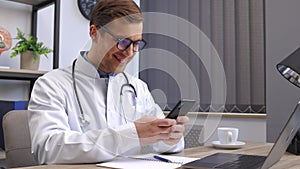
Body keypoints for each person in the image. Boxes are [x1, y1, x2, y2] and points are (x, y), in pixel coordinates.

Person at [28, 0, 189, 164]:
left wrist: (169, 136)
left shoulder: (138, 87)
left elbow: (164, 145)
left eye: (136, 43)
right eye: (122, 42)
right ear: (94, 33)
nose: (130, 52)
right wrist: (131, 134)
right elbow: (48, 149)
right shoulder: (51, 85)